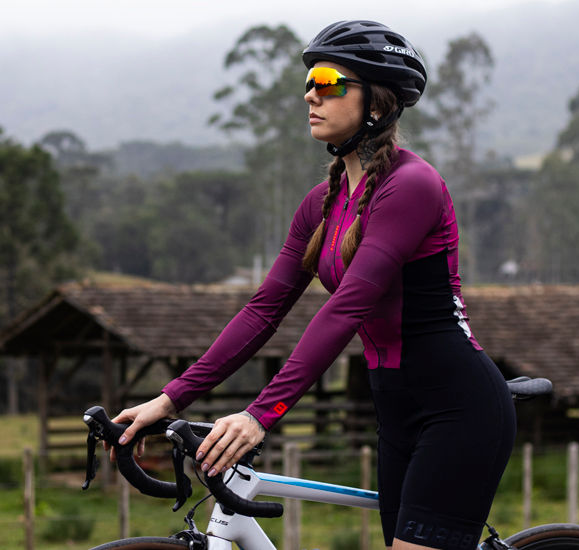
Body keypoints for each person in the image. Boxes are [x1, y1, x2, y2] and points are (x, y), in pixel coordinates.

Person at [110, 20, 516, 550]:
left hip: (457, 407)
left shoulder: (411, 186)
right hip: (396, 413)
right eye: (308, 82)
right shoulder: (321, 205)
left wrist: (262, 414)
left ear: (376, 103)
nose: (311, 94)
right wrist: (169, 398)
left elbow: (347, 308)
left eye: (327, 81)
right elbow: (263, 310)